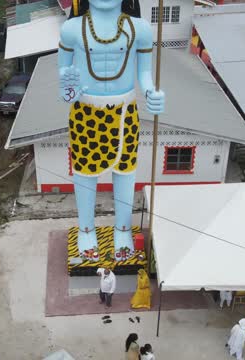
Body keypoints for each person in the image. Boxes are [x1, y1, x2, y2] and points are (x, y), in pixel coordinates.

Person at [59, 0, 165, 259]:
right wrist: (67, 85)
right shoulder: (71, 29)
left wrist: (152, 92)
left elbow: (144, 73)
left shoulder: (140, 29)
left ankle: (123, 230)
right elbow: (63, 70)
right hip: (85, 112)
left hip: (125, 112)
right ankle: (86, 230)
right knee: (84, 174)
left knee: (126, 172)